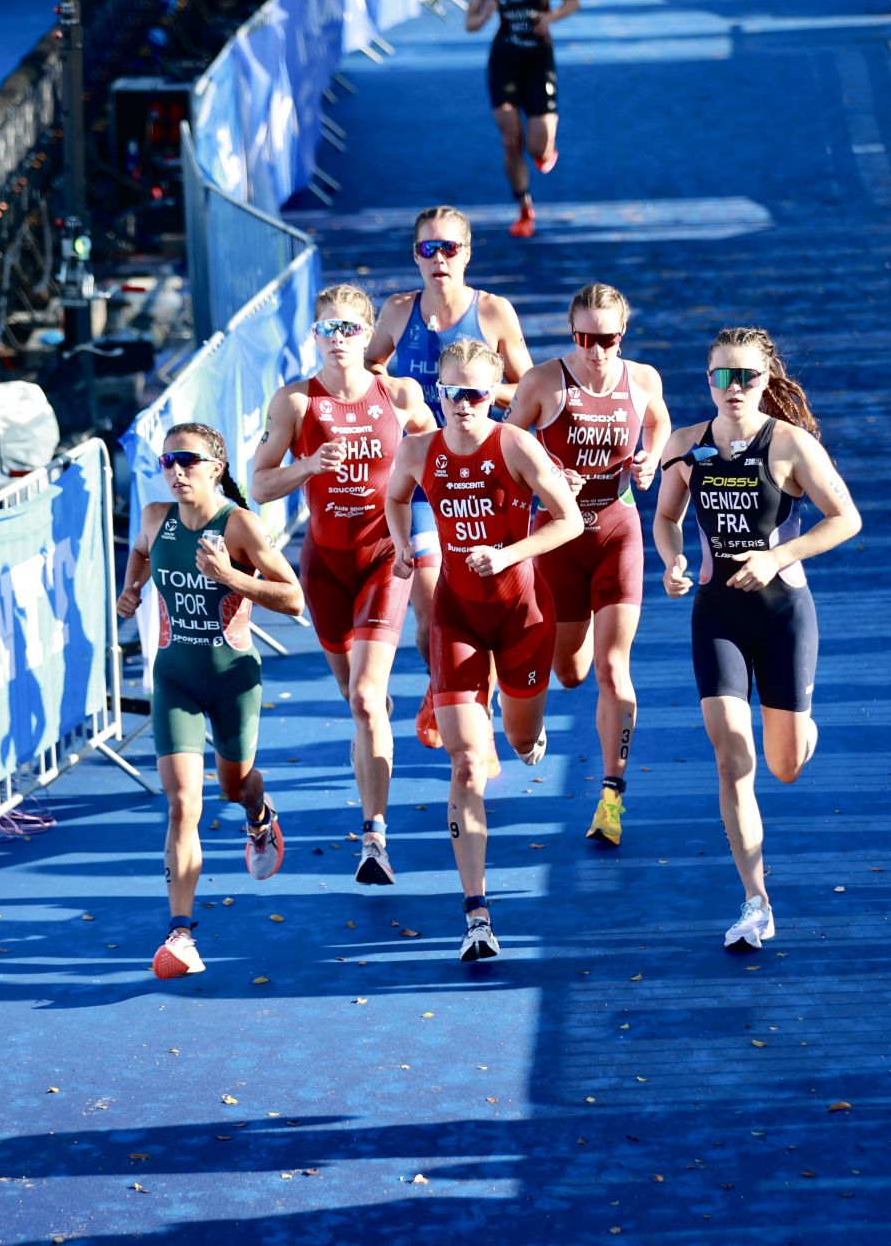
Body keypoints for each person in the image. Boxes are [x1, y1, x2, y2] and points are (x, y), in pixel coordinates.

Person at [653, 328, 861, 952]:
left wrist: (778, 557)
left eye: (746, 376)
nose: (734, 388)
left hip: (783, 613)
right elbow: (665, 516)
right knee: (732, 758)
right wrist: (672, 562)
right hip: (717, 614)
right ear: (707, 381)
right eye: (722, 376)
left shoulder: (791, 445)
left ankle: (803, 729)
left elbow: (846, 518)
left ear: (766, 381)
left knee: (784, 766)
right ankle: (755, 899)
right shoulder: (686, 445)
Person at [384, 338, 584, 962]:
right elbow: (395, 497)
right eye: (452, 393)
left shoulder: (516, 446)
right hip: (458, 615)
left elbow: (569, 520)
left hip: (523, 614)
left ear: (492, 396)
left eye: (476, 394)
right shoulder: (419, 449)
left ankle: (523, 730)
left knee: (520, 743)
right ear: (437, 394)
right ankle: (476, 913)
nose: (464, 405)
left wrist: (507, 553)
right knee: (468, 764)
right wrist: (399, 546)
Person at [249, 285, 437, 887]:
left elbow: (443, 459)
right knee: (358, 699)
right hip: (325, 567)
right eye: (327, 329)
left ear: (368, 334)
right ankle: (374, 720)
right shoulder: (297, 402)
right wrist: (308, 465)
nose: (338, 340)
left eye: (349, 329)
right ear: (313, 337)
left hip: (384, 558)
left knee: (362, 697)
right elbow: (258, 485)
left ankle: (374, 837)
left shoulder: (400, 396)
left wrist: (426, 538)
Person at [117, 423, 305, 978]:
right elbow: (142, 551)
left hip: (232, 680)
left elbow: (292, 597)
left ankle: (259, 813)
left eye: (188, 461)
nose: (176, 471)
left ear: (216, 467)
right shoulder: (157, 518)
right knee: (181, 805)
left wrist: (229, 577)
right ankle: (181, 935)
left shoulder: (240, 525)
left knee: (233, 785)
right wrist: (133, 588)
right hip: (175, 677)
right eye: (167, 461)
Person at [506, 282, 668, 845]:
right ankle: (588, 625)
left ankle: (611, 798)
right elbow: (503, 446)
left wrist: (649, 460)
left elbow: (659, 423)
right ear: (570, 332)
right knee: (570, 673)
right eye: (584, 337)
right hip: (558, 539)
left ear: (622, 335)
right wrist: (547, 474)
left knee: (612, 669)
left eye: (608, 338)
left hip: (616, 532)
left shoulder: (642, 380)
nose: (596, 350)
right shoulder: (545, 382)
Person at [368, 206, 534, 750]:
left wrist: (473, 391)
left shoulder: (493, 312)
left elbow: (527, 389)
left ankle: (473, 697)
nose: (439, 259)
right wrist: (398, 394)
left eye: (450, 249)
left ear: (467, 253)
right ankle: (446, 680)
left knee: (486, 597)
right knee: (429, 605)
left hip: (484, 480)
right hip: (423, 479)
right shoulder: (396, 312)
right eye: (427, 249)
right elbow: (365, 372)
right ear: (414, 255)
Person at [464, 0, 579, 237]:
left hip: (539, 62)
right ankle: (524, 208)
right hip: (504, 62)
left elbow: (573, 1)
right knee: (510, 140)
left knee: (538, 148)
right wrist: (487, 12)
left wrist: (550, 16)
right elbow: (469, 23)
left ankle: (545, 152)